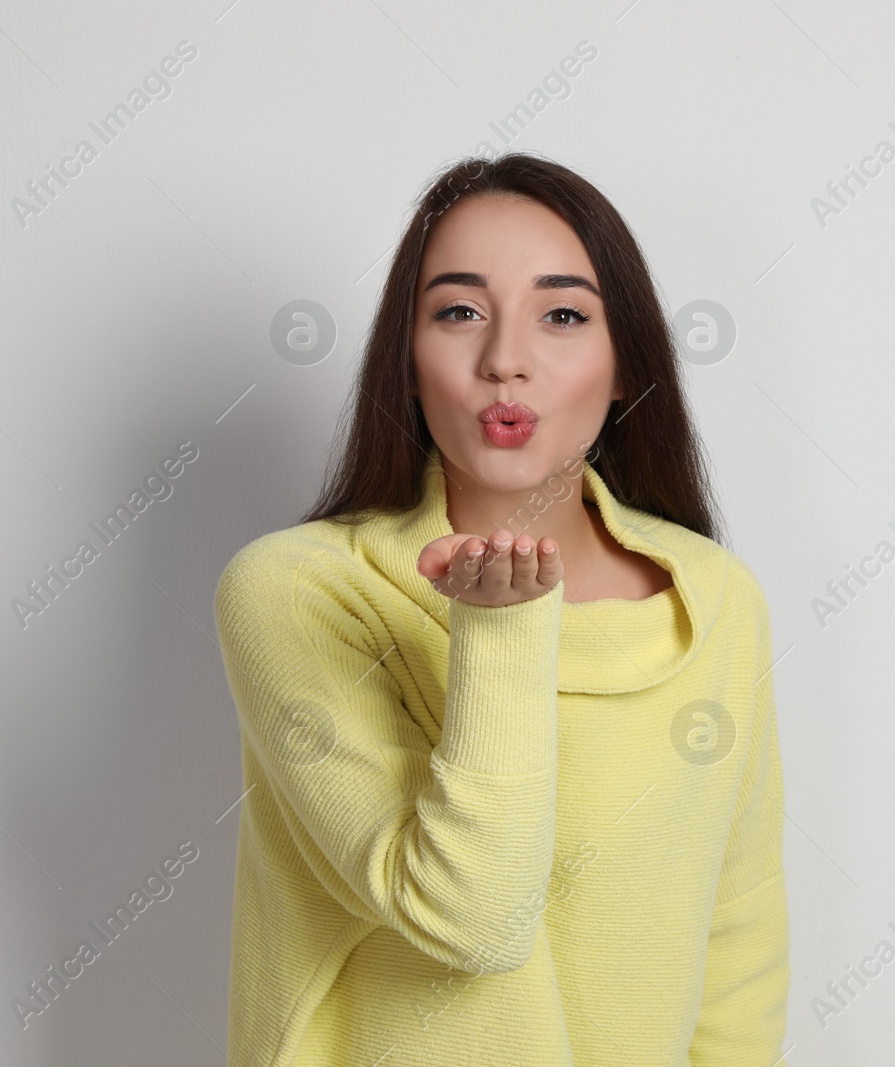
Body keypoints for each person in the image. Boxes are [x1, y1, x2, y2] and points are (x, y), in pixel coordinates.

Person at [214, 151, 788, 1065]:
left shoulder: (712, 598)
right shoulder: (298, 590)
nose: (504, 361)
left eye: (561, 314)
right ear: (405, 360)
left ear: (622, 363)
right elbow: (470, 922)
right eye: (458, 312)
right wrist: (502, 627)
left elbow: (739, 940)